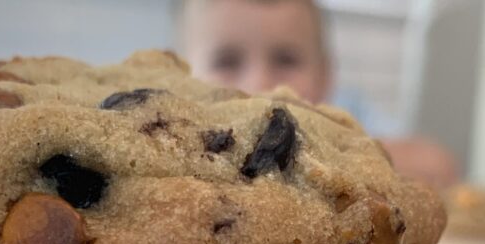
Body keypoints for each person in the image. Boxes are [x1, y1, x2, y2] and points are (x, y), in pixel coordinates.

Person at [179, 0, 459, 188]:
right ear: (181, 76)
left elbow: (438, 165)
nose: (260, 84)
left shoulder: (343, 119)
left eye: (286, 60)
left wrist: (336, 156)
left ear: (325, 75)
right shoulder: (179, 140)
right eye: (227, 62)